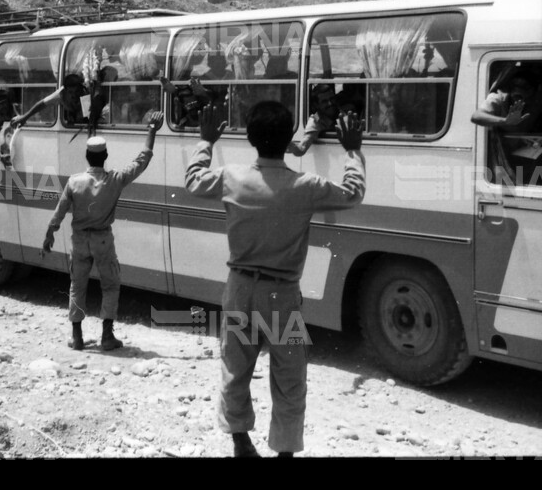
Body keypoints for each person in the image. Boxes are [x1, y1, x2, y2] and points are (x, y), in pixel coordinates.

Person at [184, 100, 365, 457]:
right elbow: (353, 192)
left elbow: (192, 180)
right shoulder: (305, 185)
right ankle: (284, 450)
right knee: (289, 377)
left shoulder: (231, 178)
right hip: (281, 297)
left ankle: (240, 441)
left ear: (251, 138)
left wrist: (206, 140)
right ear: (288, 141)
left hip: (239, 290)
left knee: (235, 368)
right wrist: (353, 150)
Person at [42, 112, 165, 352]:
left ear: (87, 157)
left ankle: (77, 337)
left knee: (77, 286)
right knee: (110, 285)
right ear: (105, 156)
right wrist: (151, 130)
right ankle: (107, 335)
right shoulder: (116, 179)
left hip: (79, 241)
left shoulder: (74, 182)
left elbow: (60, 211)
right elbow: (142, 160)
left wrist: (50, 234)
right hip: (103, 240)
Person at [471, 69, 542, 185]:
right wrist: (505, 121)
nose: (518, 93)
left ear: (532, 91)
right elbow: (476, 116)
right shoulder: (499, 98)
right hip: (504, 153)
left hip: (528, 149)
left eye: (525, 88)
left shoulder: (535, 101)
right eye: (515, 87)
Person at [288, 84, 341, 157]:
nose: (330, 103)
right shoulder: (316, 121)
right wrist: (291, 147)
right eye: (324, 101)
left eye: (332, 99)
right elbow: (301, 149)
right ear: (316, 105)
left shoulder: (341, 111)